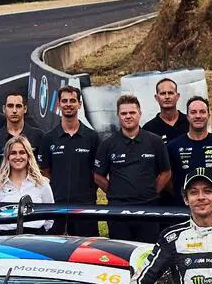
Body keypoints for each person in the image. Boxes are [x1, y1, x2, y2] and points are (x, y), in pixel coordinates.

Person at [95, 94, 171, 243]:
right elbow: (98, 176)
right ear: (118, 115)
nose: (128, 116)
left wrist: (151, 192)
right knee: (120, 254)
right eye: (124, 113)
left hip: (149, 209)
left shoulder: (155, 141)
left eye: (132, 112)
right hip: (118, 211)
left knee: (147, 252)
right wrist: (115, 192)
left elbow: (166, 172)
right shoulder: (107, 144)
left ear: (140, 114)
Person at [40, 86, 101, 236]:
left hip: (86, 206)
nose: (68, 104)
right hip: (57, 206)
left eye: (72, 101)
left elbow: (98, 172)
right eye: (64, 101)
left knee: (87, 251)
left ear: (79, 104)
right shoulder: (48, 138)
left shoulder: (92, 137)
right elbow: (45, 172)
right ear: (58, 105)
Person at [166, 96, 212, 201]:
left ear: (208, 115)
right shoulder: (172, 147)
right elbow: (167, 181)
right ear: (187, 116)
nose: (198, 116)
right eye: (193, 112)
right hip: (182, 210)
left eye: (202, 112)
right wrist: (185, 199)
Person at [0, 136, 55, 233]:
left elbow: (50, 216)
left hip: (36, 238)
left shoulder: (42, 184)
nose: (18, 157)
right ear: (7, 158)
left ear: (28, 156)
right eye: (13, 153)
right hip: (6, 239)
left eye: (22, 152)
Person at [0, 90, 51, 182]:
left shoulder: (38, 136)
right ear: (4, 109)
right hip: (4, 193)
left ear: (25, 109)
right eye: (10, 106)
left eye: (18, 106)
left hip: (32, 192)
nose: (14, 110)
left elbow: (44, 170)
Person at [148, 77, 190, 142]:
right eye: (163, 93)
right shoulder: (149, 129)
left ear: (177, 96)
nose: (167, 97)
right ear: (156, 98)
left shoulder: (190, 122)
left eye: (170, 93)